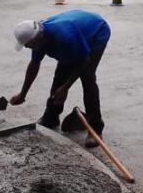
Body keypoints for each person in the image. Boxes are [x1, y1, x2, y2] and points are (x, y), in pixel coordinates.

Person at [11, 10, 111, 148]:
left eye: (27, 45)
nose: (27, 47)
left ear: (35, 40)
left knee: (88, 78)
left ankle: (96, 128)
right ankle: (51, 117)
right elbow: (34, 65)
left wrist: (66, 87)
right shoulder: (38, 39)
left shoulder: (65, 36)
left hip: (96, 32)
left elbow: (85, 60)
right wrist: (23, 93)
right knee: (59, 77)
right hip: (74, 34)